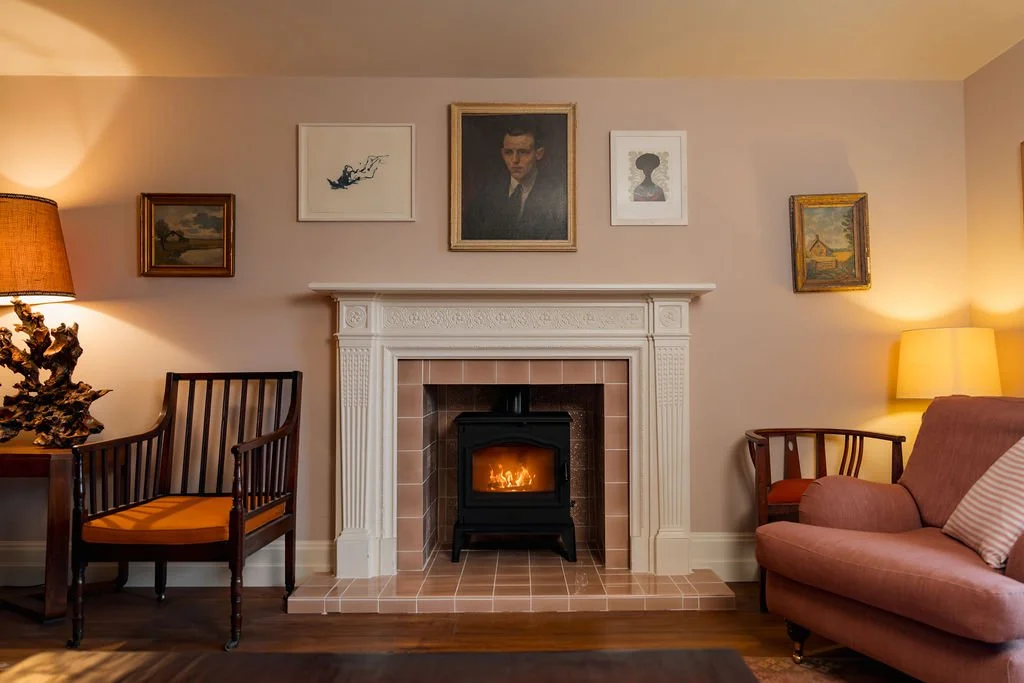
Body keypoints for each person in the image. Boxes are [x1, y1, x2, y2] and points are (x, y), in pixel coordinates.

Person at [461, 121, 567, 241]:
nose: (515, 160)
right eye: (508, 152)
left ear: (539, 154)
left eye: (523, 152)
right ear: (502, 154)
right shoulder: (487, 194)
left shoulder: (557, 196)